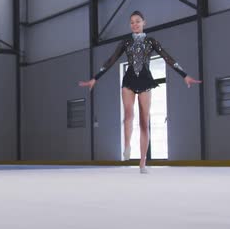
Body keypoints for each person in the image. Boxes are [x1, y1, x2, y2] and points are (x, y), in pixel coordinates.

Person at [79, 11, 201, 174]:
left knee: (144, 122)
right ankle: (128, 145)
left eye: (137, 21)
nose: (134, 24)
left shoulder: (151, 41)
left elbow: (167, 57)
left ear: (144, 22)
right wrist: (95, 78)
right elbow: (111, 60)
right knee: (129, 114)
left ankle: (142, 162)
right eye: (132, 22)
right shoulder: (126, 42)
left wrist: (184, 75)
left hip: (145, 79)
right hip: (129, 79)